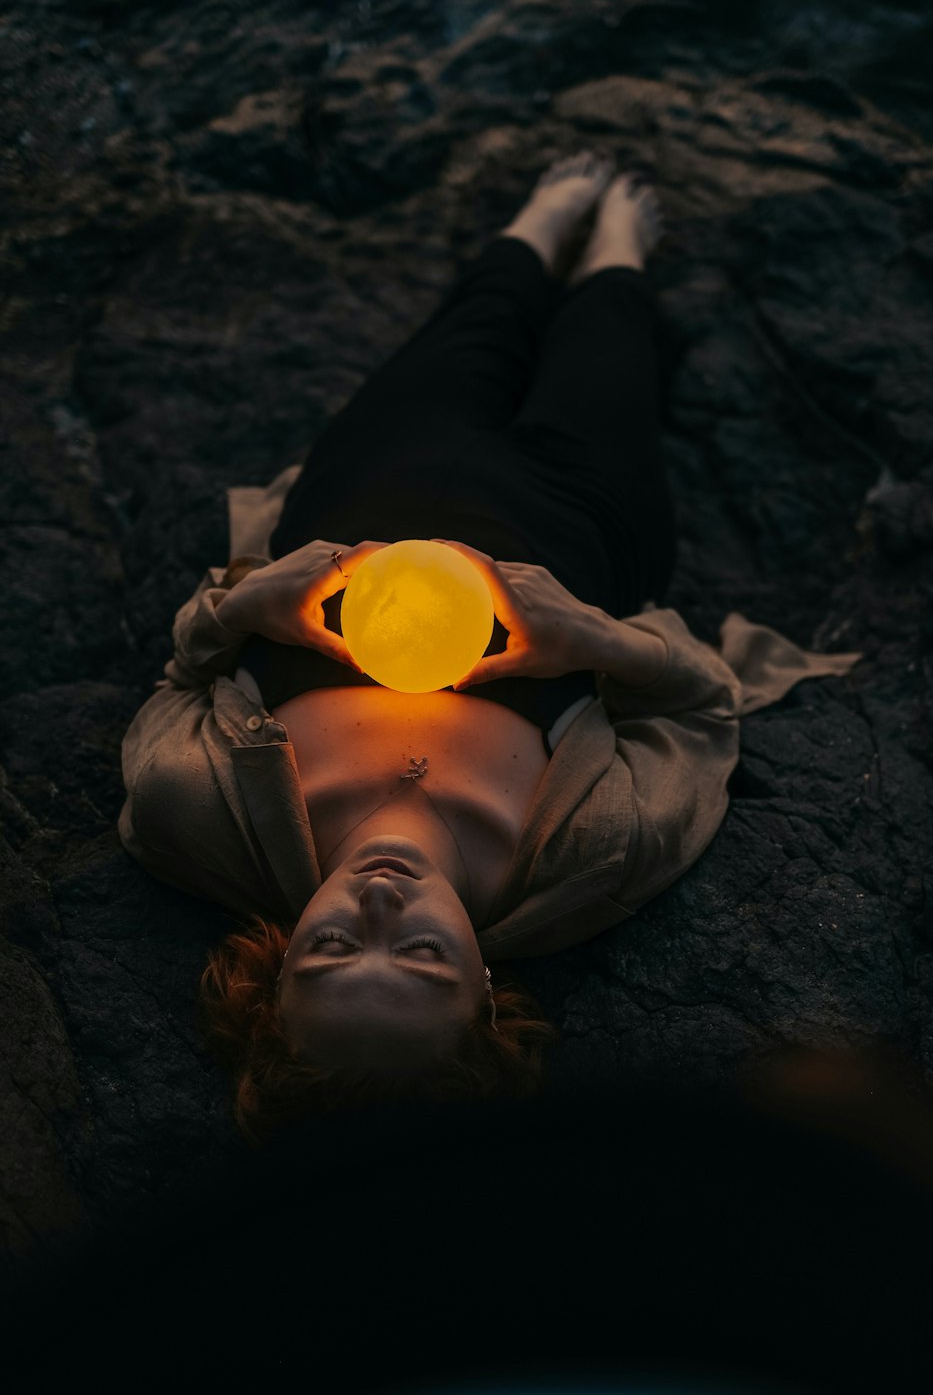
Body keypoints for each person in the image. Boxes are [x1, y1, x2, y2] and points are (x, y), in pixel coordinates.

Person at [118, 148, 864, 1140]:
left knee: (475, 327)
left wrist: (255, 604)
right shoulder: (596, 852)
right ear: (485, 987)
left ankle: (543, 215)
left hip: (367, 491)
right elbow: (699, 711)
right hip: (583, 531)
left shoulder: (193, 811)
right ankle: (611, 245)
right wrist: (588, 633)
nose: (380, 907)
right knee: (606, 342)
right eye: (420, 957)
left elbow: (183, 676)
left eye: (332, 948)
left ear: (278, 968)